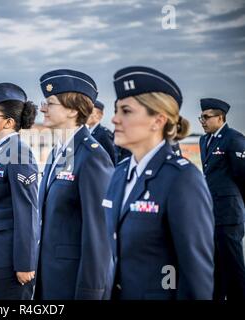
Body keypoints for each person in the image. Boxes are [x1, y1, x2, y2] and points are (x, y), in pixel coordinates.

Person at [104, 66, 214, 299]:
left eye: (126, 111)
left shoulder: (182, 179)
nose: (114, 119)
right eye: (116, 110)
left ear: (158, 120)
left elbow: (196, 277)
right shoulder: (120, 173)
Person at [35, 69, 114, 300]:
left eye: (50, 103)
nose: (42, 108)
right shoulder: (56, 153)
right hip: (51, 277)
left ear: (72, 109)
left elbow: (98, 234)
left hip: (74, 282)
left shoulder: (92, 157)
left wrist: (91, 292)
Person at [0, 83, 39, 300]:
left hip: (9, 260)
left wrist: (25, 263)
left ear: (9, 122)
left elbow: (27, 211)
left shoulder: (19, 153)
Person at [199, 98, 245, 300]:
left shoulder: (234, 139)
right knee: (215, 264)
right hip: (212, 212)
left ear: (220, 117)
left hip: (229, 213)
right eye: (201, 117)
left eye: (206, 117)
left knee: (233, 264)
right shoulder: (204, 140)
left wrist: (238, 206)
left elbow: (242, 176)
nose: (202, 120)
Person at [86, 100, 116, 165]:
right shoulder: (87, 132)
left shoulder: (104, 134)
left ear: (99, 115)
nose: (86, 114)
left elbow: (113, 158)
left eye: (90, 112)